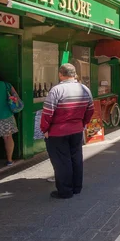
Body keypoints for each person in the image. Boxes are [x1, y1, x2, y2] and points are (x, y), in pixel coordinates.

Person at [41, 64, 94, 199]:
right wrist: (82, 123)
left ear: (60, 74)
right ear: (74, 74)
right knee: (76, 158)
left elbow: (47, 113)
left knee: (61, 161)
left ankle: (65, 191)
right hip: (76, 130)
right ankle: (77, 187)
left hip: (57, 132)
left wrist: (45, 129)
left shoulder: (56, 90)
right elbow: (90, 110)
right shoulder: (85, 89)